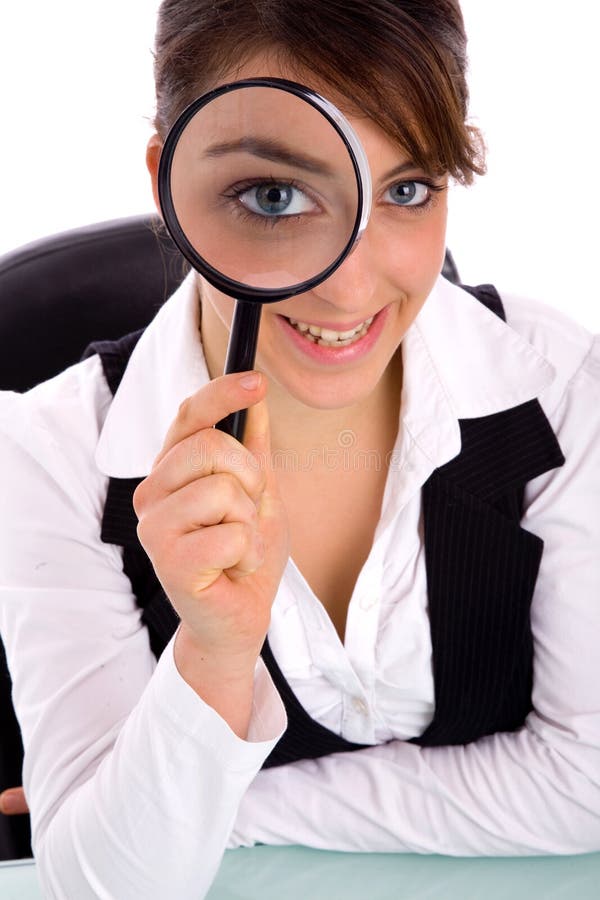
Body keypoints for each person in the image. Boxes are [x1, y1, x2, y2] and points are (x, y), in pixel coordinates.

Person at [0, 0, 599, 896]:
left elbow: (589, 785)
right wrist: (213, 653)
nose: (350, 284)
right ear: (168, 177)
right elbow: (105, 885)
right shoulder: (49, 453)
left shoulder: (559, 386)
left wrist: (228, 806)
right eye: (273, 196)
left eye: (406, 190)